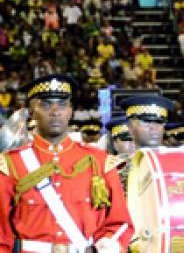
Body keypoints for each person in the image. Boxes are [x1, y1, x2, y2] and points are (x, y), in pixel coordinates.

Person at [0, 74, 134, 252]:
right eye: (45, 104)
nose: (55, 111)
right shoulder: (10, 164)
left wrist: (109, 243)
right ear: (31, 111)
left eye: (62, 104)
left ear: (70, 110)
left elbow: (120, 222)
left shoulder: (100, 161)